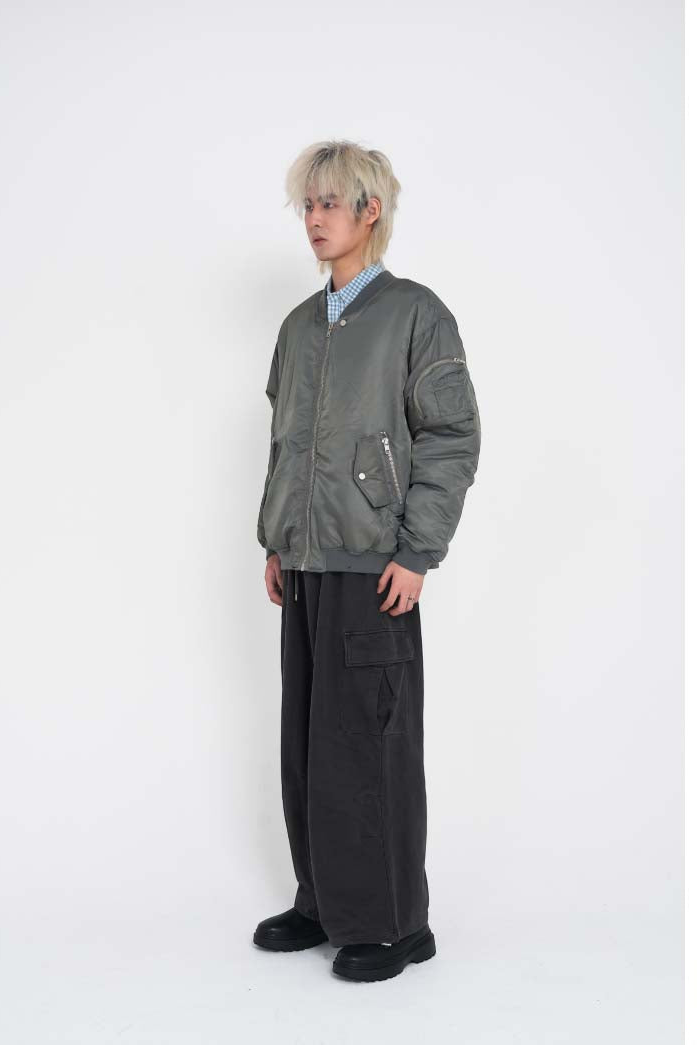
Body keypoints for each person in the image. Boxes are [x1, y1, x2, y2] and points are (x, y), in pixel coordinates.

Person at [253, 140, 481, 982]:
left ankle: (393, 925)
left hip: (376, 569)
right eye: (307, 205)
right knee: (309, 745)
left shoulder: (416, 314)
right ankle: (324, 901)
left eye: (329, 203)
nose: (314, 219)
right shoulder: (297, 326)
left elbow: (451, 437)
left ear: (369, 211)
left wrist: (418, 550)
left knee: (369, 747)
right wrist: (278, 539)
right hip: (306, 567)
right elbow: (285, 441)